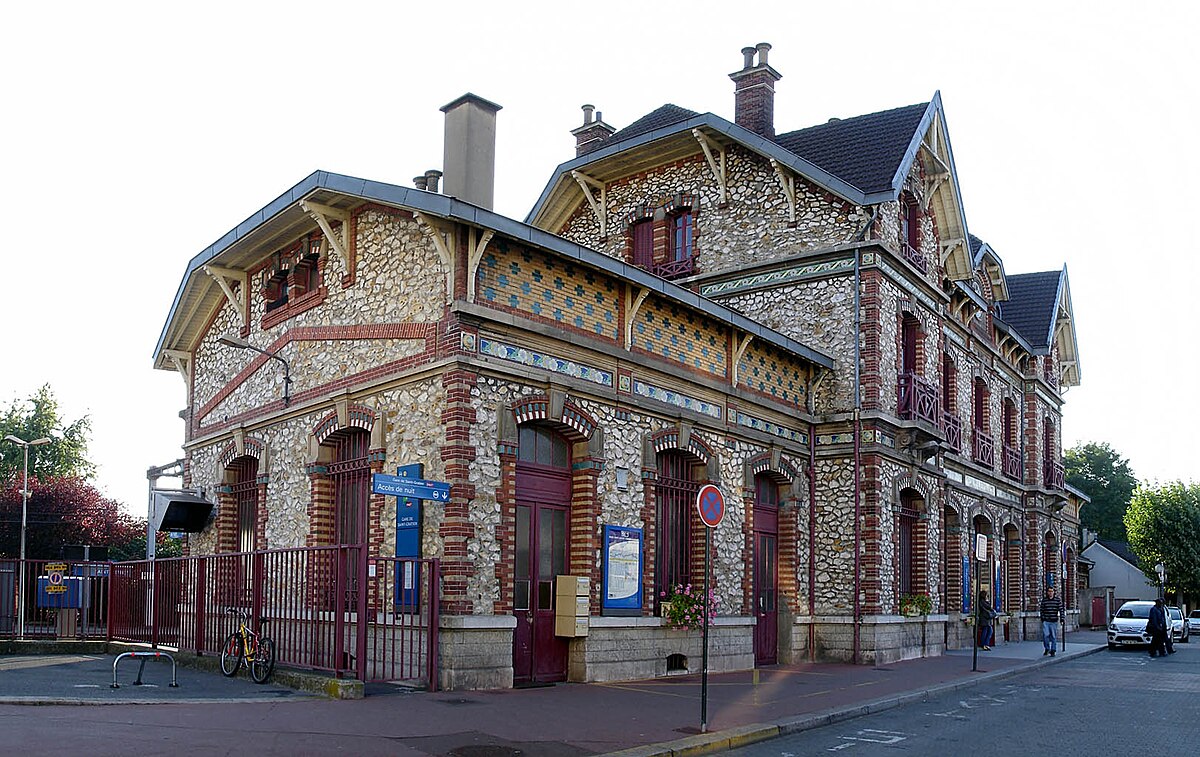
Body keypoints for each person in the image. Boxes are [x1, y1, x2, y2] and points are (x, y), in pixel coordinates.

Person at [1039, 586, 1064, 656]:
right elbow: (1042, 610)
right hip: (1046, 621)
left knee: (1053, 636)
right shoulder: (1044, 600)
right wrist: (1043, 618)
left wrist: (1062, 618)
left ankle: (1053, 650)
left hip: (1054, 621)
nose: (1050, 593)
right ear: (1047, 592)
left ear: (1053, 592)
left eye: (1052, 591)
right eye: (1049, 591)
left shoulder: (1057, 600)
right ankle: (1047, 648)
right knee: (1045, 635)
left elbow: (1061, 609)